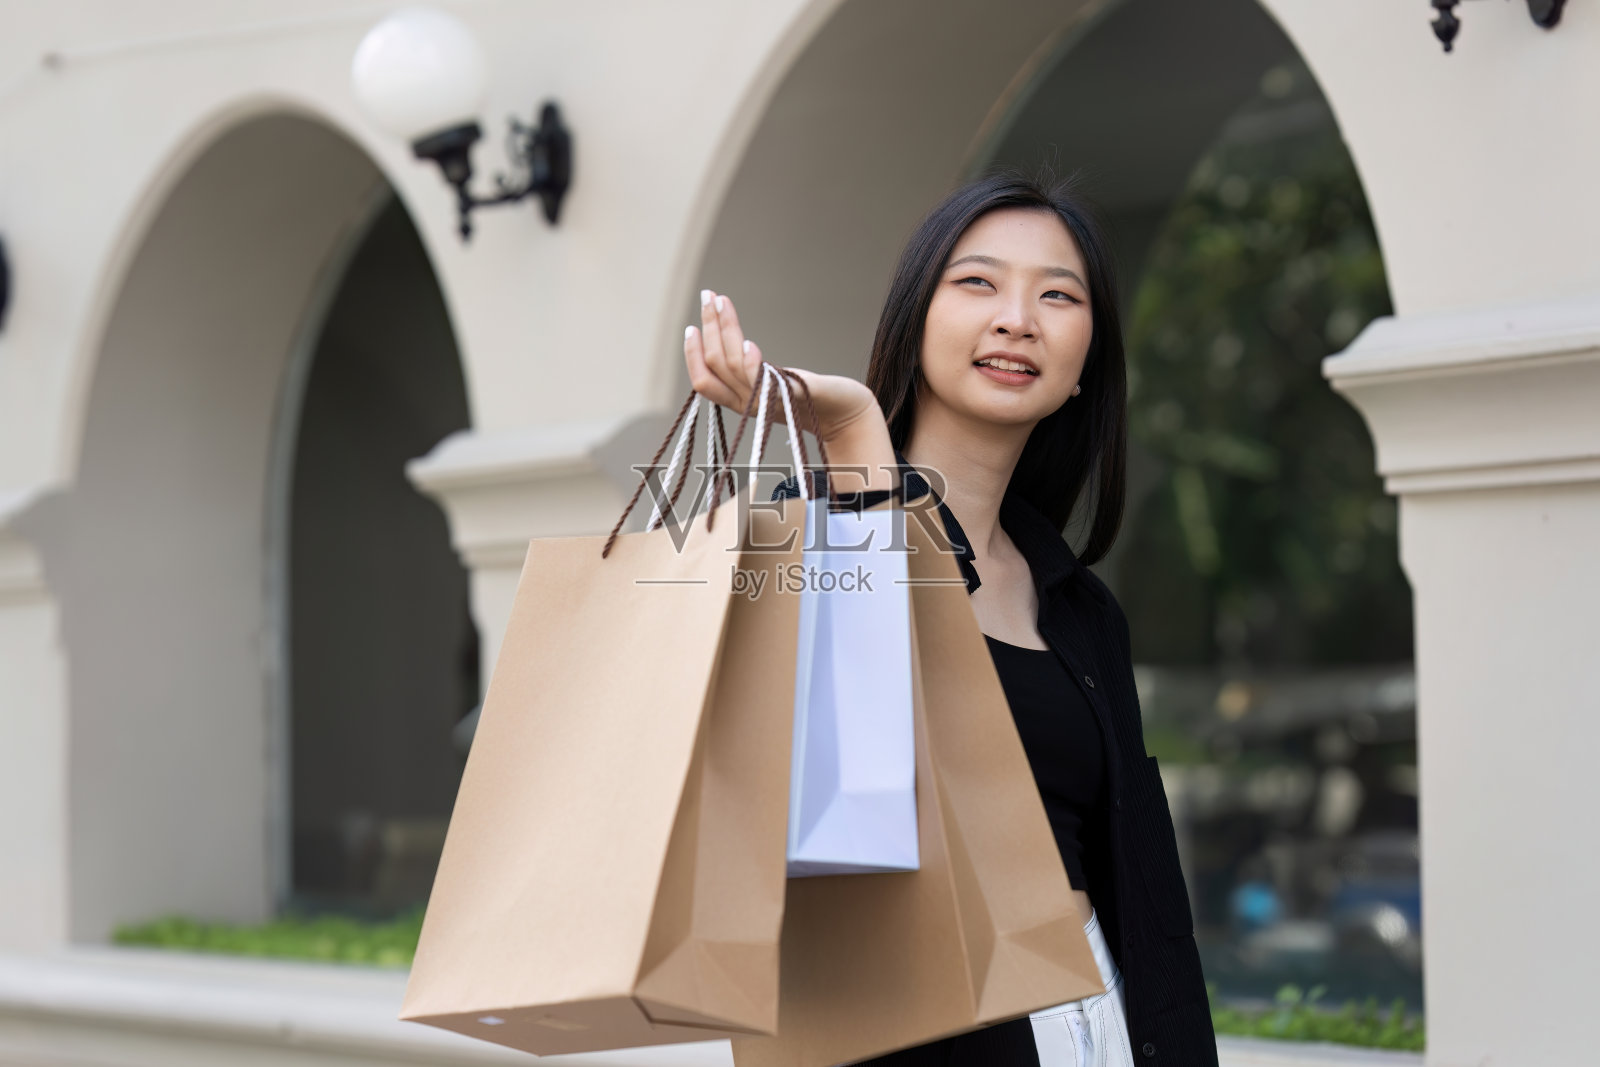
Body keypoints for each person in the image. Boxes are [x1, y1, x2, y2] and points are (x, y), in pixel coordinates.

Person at [682, 171, 1218, 1067]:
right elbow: (853, 781)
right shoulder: (814, 539)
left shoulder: (1081, 608)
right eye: (978, 283)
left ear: (1087, 362)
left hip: (1096, 1013)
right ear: (915, 322)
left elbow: (1143, 887)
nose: (1018, 318)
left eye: (1059, 295)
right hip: (921, 1028)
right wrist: (852, 431)